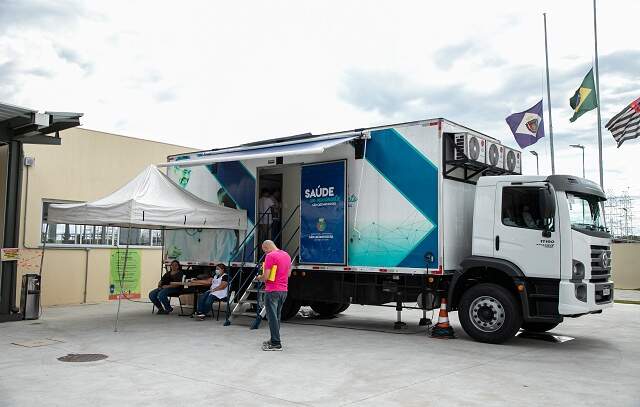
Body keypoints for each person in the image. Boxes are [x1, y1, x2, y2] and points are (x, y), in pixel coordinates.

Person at [257, 240, 291, 351]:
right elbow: (289, 274)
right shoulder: (286, 255)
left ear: (266, 247)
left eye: (264, 251)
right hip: (283, 290)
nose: (265, 253)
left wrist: (259, 278)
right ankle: (274, 339)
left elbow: (266, 277)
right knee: (277, 316)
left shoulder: (270, 256)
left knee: (271, 318)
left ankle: (276, 343)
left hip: (272, 290)